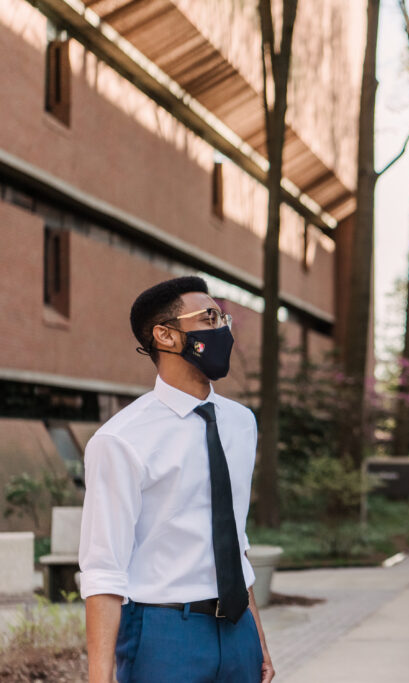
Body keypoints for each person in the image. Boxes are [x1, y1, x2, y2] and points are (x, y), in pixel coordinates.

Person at [79, 276, 274, 683]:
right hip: (164, 636)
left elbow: (234, 539)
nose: (222, 328)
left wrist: (257, 638)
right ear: (165, 336)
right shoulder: (121, 439)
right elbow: (103, 569)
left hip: (238, 633)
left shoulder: (241, 423)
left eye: (223, 317)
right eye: (209, 318)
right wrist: (100, 677)